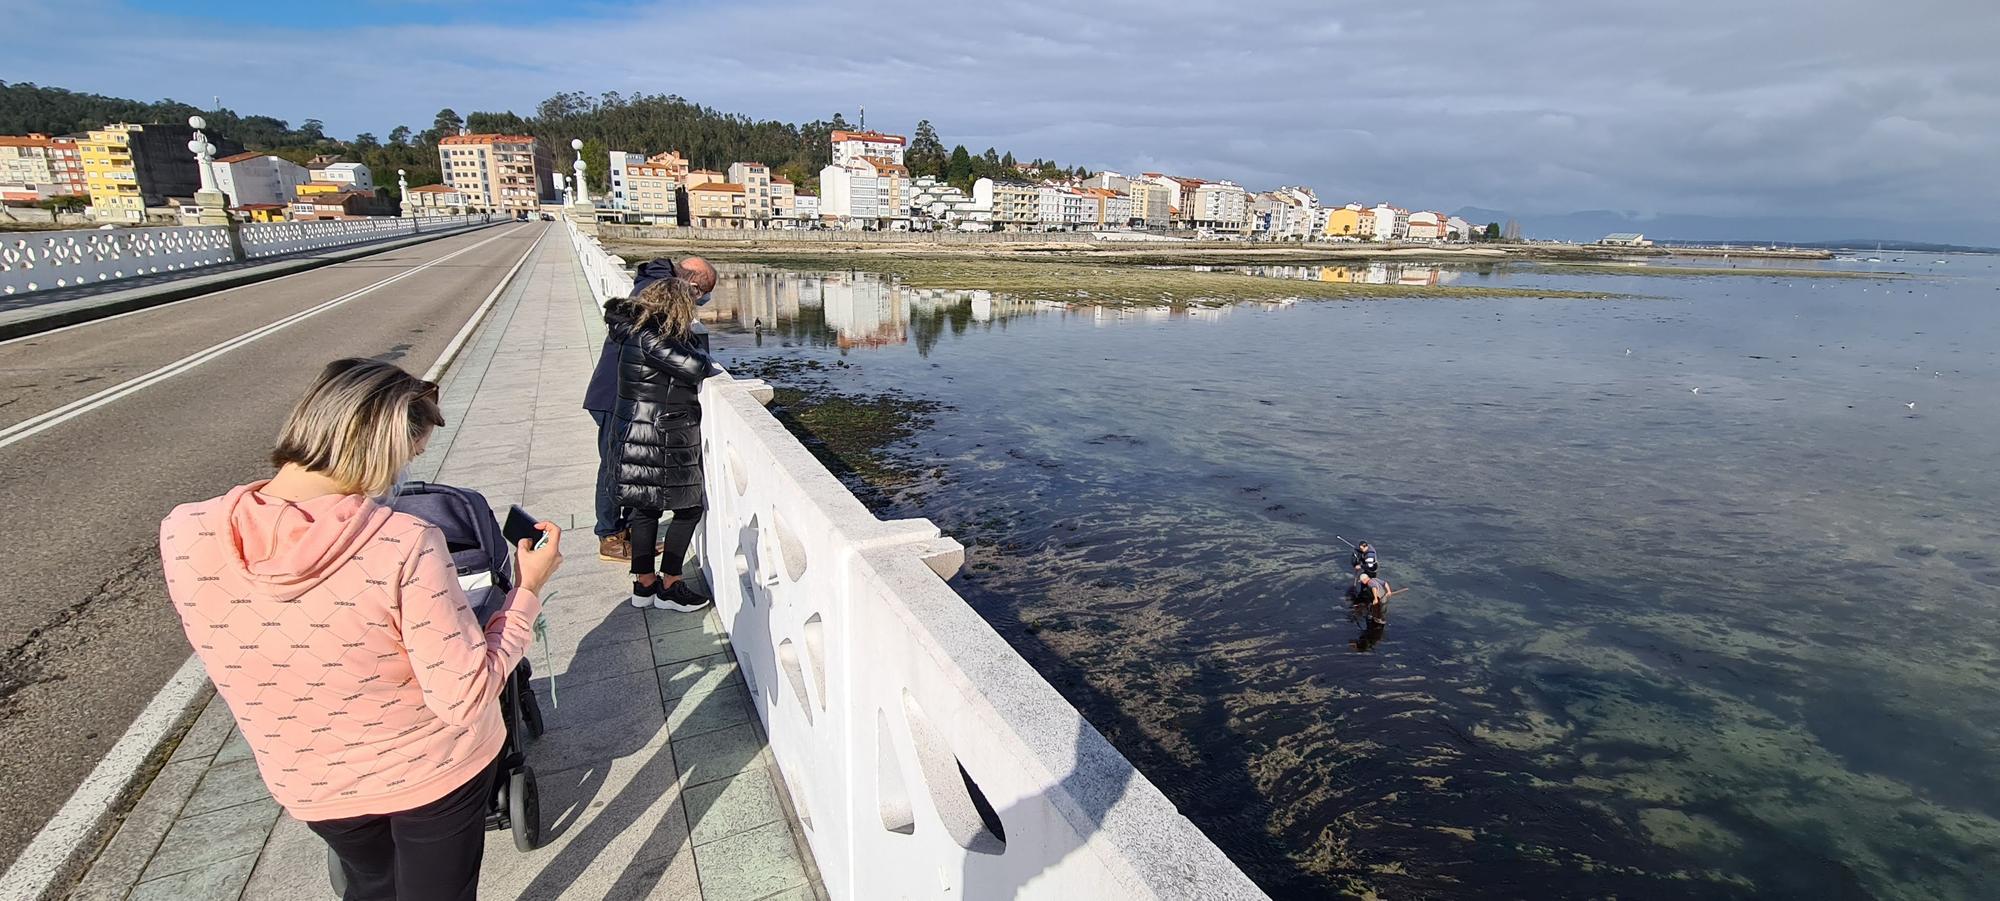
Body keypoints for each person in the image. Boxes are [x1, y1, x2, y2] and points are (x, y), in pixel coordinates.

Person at [160, 358, 564, 901]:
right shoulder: (402, 541)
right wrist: (526, 593)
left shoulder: (186, 531)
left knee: (372, 885)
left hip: (309, 777)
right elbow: (464, 695)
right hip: (429, 769)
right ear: (383, 444)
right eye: (407, 457)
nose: (400, 475)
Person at [584, 256, 716, 562]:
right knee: (615, 468)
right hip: (616, 397)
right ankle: (610, 537)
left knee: (630, 474)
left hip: (627, 396)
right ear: (688, 289)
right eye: (696, 298)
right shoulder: (653, 308)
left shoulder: (649, 288)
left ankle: (628, 536)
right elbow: (692, 363)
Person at [606, 276, 714, 611]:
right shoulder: (652, 336)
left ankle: (644, 584)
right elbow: (697, 365)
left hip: (636, 431)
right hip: (657, 435)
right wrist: (693, 341)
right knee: (688, 508)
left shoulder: (634, 331)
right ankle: (671, 584)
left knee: (646, 508)